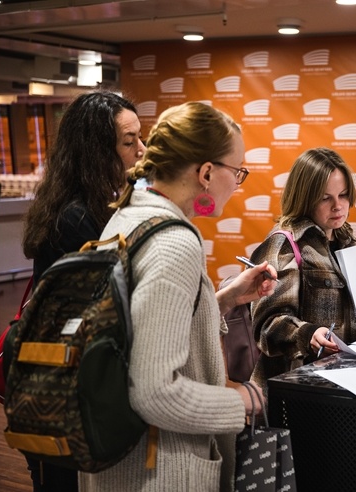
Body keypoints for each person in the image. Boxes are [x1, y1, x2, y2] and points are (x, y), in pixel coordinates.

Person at [78, 101, 277, 492]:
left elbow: (142, 330)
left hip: (118, 462)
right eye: (236, 172)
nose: (237, 184)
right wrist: (243, 402)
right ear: (205, 172)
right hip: (158, 470)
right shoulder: (175, 242)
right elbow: (154, 392)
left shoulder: (126, 218)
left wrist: (222, 299)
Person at [21, 90, 146, 492]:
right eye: (129, 142)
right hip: (64, 392)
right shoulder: (77, 219)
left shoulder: (88, 207)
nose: (141, 150)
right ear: (96, 151)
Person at [249, 148, 356, 391]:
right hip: (297, 388)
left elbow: (352, 320)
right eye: (325, 198)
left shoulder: (347, 241)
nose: (338, 206)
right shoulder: (284, 243)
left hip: (343, 383)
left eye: (344, 195)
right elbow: (267, 327)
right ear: (305, 197)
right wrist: (308, 334)